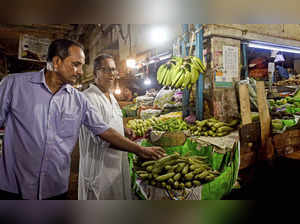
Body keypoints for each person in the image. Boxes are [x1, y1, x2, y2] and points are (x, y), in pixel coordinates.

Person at [0, 39, 165, 200]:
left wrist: (141, 150)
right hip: (14, 187)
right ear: (56, 62)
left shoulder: (78, 100)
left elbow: (105, 131)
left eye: (82, 65)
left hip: (55, 188)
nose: (80, 71)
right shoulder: (13, 86)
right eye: (75, 64)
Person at [78, 54, 133, 200]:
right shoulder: (88, 97)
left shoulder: (110, 96)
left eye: (114, 70)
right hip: (100, 168)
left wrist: (124, 130)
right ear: (96, 72)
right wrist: (138, 149)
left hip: (117, 164)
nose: (112, 74)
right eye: (106, 70)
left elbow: (112, 120)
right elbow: (102, 137)